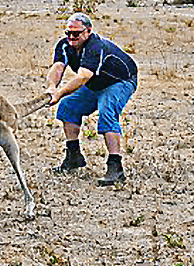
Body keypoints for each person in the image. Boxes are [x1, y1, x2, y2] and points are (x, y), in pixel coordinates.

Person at [45, 12, 137, 186]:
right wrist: (52, 87)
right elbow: (57, 67)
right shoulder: (65, 45)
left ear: (88, 32)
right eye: (68, 33)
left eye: (76, 34)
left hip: (120, 81)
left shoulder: (95, 46)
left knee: (107, 113)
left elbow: (82, 77)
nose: (71, 37)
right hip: (96, 83)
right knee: (68, 107)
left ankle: (115, 167)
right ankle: (73, 157)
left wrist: (59, 93)